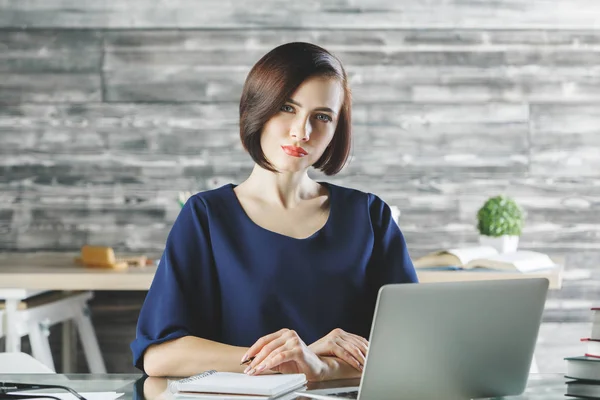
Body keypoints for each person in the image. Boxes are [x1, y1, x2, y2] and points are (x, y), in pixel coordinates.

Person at [131, 42, 418, 381]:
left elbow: (412, 349)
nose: (302, 131)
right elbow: (160, 356)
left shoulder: (370, 216)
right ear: (256, 108)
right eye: (286, 107)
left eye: (322, 117)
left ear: (337, 129)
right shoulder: (206, 216)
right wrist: (292, 359)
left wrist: (321, 367)